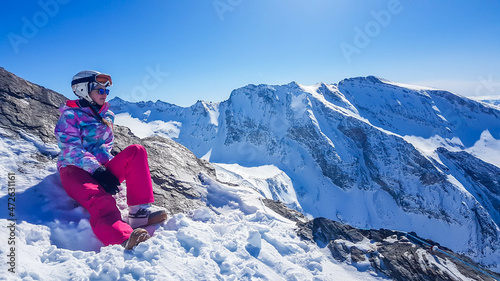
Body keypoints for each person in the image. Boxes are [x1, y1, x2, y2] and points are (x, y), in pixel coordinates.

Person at [54, 70, 167, 250]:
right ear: (83, 90)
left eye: (106, 91)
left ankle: (139, 215)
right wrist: (97, 171)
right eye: (100, 90)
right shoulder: (70, 116)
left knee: (136, 151)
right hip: (74, 169)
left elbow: (105, 147)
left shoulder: (108, 115)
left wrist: (108, 169)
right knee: (100, 198)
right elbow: (70, 149)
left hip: (100, 166)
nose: (104, 95)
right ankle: (122, 236)